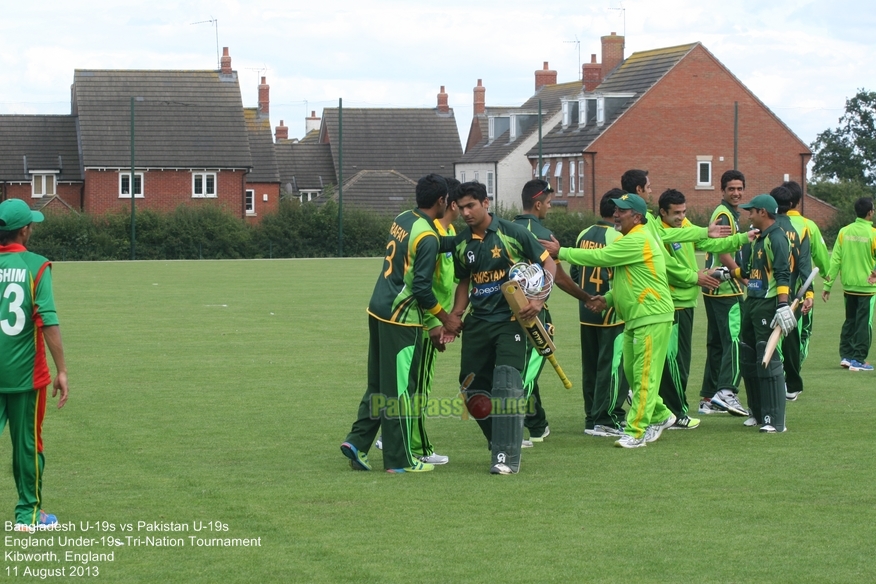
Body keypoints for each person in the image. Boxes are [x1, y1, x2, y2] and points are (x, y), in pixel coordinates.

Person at [341, 174, 462, 473]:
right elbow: (422, 288)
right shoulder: (428, 236)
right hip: (401, 319)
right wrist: (445, 317)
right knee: (399, 391)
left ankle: (357, 441)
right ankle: (398, 461)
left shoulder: (404, 219)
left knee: (378, 385)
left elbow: (431, 244)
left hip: (377, 308)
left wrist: (464, 238)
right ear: (441, 201)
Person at [543, 194, 677, 448]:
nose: (616, 214)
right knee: (632, 374)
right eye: (615, 209)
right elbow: (629, 282)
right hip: (636, 318)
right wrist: (606, 299)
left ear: (637, 217)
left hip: (652, 317)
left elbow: (601, 257)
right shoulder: (630, 239)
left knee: (643, 376)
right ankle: (661, 415)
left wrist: (561, 251)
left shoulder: (638, 239)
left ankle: (636, 432)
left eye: (622, 211)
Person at [449, 181, 556, 474]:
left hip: (511, 322)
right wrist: (456, 315)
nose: (466, 212)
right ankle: (500, 441)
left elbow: (549, 265)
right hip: (477, 324)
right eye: (461, 208)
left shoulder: (515, 233)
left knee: (508, 385)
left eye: (471, 205)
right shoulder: (462, 243)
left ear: (486, 203)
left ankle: (505, 458)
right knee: (471, 390)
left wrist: (539, 298)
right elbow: (464, 282)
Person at [655, 189, 750, 429]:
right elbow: (667, 268)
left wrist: (742, 238)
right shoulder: (657, 232)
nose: (681, 217)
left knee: (680, 361)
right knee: (675, 362)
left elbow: (708, 241)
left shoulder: (684, 226)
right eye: (676, 213)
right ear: (662, 212)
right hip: (672, 303)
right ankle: (676, 413)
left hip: (687, 301)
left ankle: (672, 407)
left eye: (684, 212)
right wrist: (695, 276)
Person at [0, 198, 68, 530]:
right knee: (27, 444)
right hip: (26, 376)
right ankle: (27, 515)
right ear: (25, 231)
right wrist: (63, 370)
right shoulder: (37, 266)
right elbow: (48, 321)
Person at [512, 179, 585, 443]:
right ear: (538, 203)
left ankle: (537, 424)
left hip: (505, 312)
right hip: (533, 313)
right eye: (549, 204)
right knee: (526, 373)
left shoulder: (506, 229)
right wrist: (586, 297)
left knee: (520, 370)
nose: (549, 208)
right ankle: (514, 429)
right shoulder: (542, 233)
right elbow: (560, 278)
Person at [568, 189, 628, 437]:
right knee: (612, 366)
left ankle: (592, 417)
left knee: (591, 366)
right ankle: (608, 418)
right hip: (609, 310)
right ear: (616, 212)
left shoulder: (584, 234)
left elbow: (574, 271)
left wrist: (586, 295)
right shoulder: (618, 236)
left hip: (586, 310)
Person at [734, 194, 794, 432]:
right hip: (753, 301)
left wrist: (782, 304)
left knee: (766, 356)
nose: (749, 215)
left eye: (752, 211)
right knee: (747, 355)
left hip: (768, 303)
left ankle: (774, 421)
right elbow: (750, 271)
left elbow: (782, 273)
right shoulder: (759, 239)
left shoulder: (777, 238)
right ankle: (757, 413)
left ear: (763, 212)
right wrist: (728, 273)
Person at [700, 170, 749, 417]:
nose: (736, 193)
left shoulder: (729, 213)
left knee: (718, 343)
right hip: (726, 287)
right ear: (722, 191)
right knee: (735, 341)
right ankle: (726, 392)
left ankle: (709, 396)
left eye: (740, 188)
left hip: (714, 287)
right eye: (731, 189)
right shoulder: (724, 215)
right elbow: (722, 251)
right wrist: (741, 274)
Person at [822, 197, 876, 371]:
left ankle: (846, 355)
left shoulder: (844, 231)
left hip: (849, 286)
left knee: (850, 321)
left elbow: (835, 259)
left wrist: (827, 286)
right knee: (864, 323)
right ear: (870, 212)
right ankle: (858, 360)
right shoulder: (873, 233)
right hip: (867, 287)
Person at [771, 186, 814, 403]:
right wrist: (809, 294)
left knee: (765, 340)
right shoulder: (800, 230)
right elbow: (805, 265)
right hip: (792, 294)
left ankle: (771, 384)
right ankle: (793, 384)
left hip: (768, 293)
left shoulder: (765, 228)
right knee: (791, 339)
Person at [784, 181, 829, 372]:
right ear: (798, 201)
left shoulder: (772, 222)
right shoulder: (808, 225)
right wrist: (827, 274)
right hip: (800, 290)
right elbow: (820, 255)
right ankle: (792, 376)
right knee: (802, 333)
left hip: (775, 289)